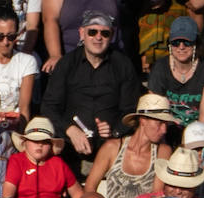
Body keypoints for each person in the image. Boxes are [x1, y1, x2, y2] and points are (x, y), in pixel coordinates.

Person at [40, 9, 140, 158]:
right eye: (92, 32)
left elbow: (130, 110)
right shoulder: (67, 64)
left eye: (104, 33)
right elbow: (49, 107)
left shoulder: (123, 65)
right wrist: (70, 130)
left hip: (110, 147)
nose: (98, 37)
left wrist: (114, 129)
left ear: (111, 36)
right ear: (82, 33)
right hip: (70, 146)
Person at [84, 91, 175, 198]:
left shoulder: (163, 151)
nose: (164, 130)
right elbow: (90, 187)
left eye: (166, 124)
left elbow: (156, 195)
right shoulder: (112, 148)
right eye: (159, 123)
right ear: (143, 120)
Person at [146, 15, 204, 127]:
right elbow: (155, 112)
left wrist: (196, 141)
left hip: (197, 131)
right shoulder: (160, 67)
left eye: (187, 42)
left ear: (196, 43)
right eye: (176, 42)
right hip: (165, 131)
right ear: (170, 44)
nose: (181, 47)